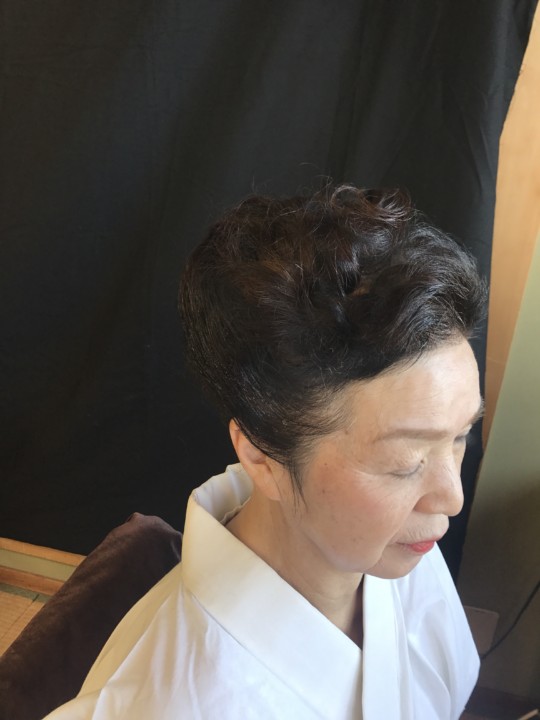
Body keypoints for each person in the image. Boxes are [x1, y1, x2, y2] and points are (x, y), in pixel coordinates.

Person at [44, 186, 485, 719]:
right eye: (405, 463)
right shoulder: (176, 703)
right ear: (260, 456)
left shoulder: (396, 545)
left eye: (459, 437)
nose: (451, 498)